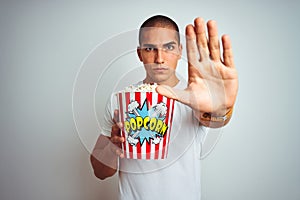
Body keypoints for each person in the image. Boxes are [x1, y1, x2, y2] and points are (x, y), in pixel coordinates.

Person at [90, 15, 238, 200]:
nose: (159, 58)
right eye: (150, 48)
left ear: (179, 51)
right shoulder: (119, 101)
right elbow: (99, 172)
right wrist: (113, 148)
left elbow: (216, 120)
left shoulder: (195, 99)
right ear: (140, 54)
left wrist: (222, 109)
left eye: (168, 47)